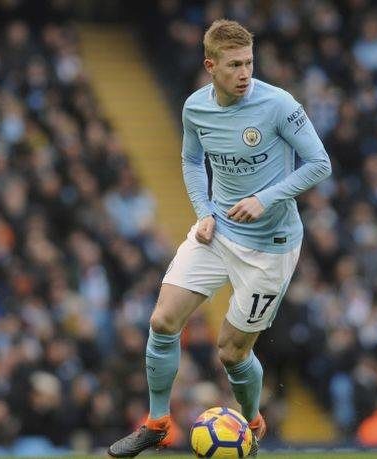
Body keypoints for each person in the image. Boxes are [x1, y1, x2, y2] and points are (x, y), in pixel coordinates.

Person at [107, 18, 332, 457]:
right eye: (234, 65)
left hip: (270, 247)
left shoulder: (278, 104)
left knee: (231, 352)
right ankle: (157, 423)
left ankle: (251, 421)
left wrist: (264, 199)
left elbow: (319, 163)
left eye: (249, 63)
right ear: (211, 66)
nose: (245, 73)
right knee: (162, 321)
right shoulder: (195, 108)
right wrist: (204, 212)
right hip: (219, 230)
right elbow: (192, 162)